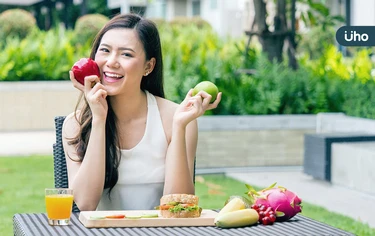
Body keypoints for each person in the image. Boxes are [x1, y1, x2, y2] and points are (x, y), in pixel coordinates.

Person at [62, 13, 222, 211]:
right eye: (105, 50)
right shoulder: (76, 124)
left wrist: (179, 127)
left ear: (148, 66)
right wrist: (98, 119)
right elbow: (85, 204)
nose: (111, 61)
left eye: (126, 54)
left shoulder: (175, 118)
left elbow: (179, 206)